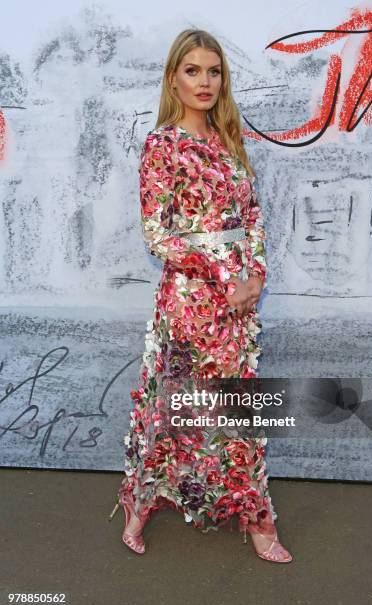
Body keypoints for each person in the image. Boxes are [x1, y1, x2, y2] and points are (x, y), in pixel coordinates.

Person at [109, 28, 292, 563]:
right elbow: (157, 234)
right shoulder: (162, 145)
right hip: (189, 304)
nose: (205, 81)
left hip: (239, 306)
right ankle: (139, 505)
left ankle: (258, 518)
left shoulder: (230, 140)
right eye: (193, 71)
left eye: (214, 71)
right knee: (175, 411)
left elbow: (252, 218)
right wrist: (218, 271)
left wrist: (255, 276)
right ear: (173, 79)